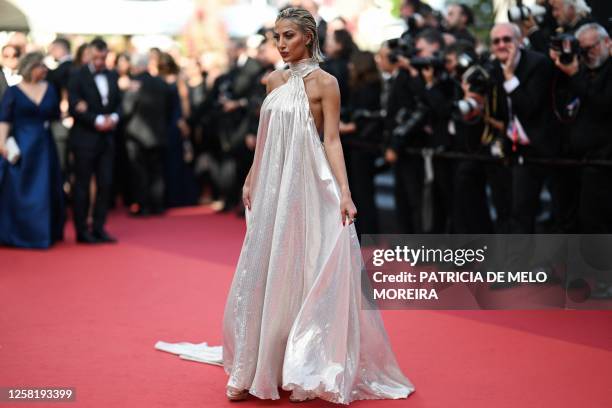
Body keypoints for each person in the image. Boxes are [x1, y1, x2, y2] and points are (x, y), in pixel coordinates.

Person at [222, 7, 415, 403]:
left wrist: (344, 192)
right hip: (273, 187)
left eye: (288, 36)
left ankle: (303, 362)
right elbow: (266, 137)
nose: (280, 44)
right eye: (276, 37)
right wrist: (251, 176)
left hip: (310, 186)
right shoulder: (272, 79)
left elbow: (331, 140)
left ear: (308, 37)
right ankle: (253, 365)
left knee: (307, 264)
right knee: (266, 265)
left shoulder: (327, 83)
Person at [0, 52, 65, 248]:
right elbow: (4, 119)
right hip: (20, 145)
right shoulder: (12, 91)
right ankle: (18, 234)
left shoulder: (50, 89)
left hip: (44, 145)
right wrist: (2, 144)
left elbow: (56, 115)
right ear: (29, 67)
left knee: (45, 188)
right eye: (41, 67)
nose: (44, 70)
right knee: (19, 189)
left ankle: (44, 234)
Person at [68, 38, 120, 244]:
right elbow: (74, 106)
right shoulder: (77, 76)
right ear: (89, 54)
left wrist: (114, 118)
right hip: (84, 140)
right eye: (96, 57)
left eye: (103, 57)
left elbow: (119, 103)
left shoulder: (112, 75)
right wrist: (97, 119)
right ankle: (82, 230)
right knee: (82, 186)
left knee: (105, 184)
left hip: (107, 140)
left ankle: (99, 227)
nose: (99, 62)